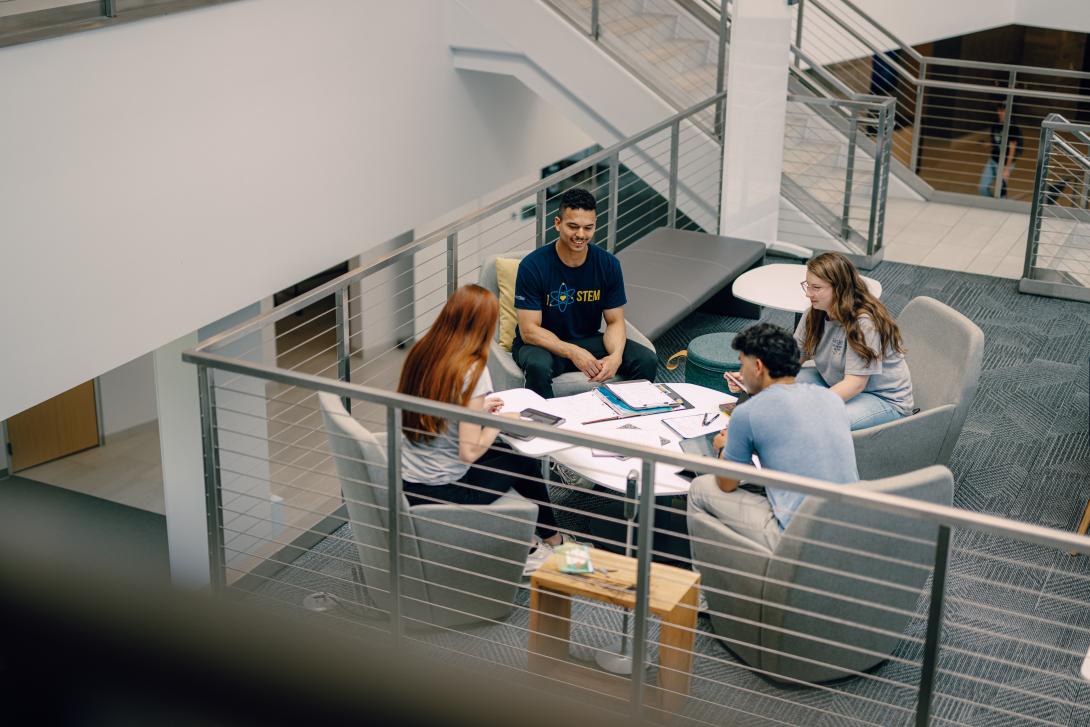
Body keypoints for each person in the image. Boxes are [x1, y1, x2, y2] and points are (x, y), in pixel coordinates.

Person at [397, 284, 568, 574]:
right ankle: (545, 544)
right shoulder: (472, 370)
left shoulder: (424, 350)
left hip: (410, 483)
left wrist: (478, 411)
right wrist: (499, 422)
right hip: (445, 491)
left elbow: (442, 405)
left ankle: (541, 539)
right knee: (522, 462)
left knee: (507, 454)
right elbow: (468, 452)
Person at [688, 323, 858, 551]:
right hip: (852, 525)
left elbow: (727, 485)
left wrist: (723, 447)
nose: (741, 371)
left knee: (700, 487)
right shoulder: (831, 399)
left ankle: (704, 581)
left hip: (796, 538)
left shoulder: (747, 412)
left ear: (757, 366)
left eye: (742, 363)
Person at [511, 187, 658, 399]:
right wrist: (573, 352)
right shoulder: (533, 266)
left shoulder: (608, 264)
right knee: (537, 366)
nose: (581, 235)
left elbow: (615, 321)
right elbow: (529, 331)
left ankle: (627, 417)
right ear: (557, 223)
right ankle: (546, 427)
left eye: (588, 228)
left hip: (587, 339)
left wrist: (615, 357)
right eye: (573, 226)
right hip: (543, 345)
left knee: (646, 359)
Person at [791, 252, 914, 431]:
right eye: (807, 286)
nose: (808, 294)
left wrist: (813, 407)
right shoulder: (815, 313)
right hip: (836, 381)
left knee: (817, 422)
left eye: (816, 288)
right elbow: (793, 358)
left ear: (840, 288)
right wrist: (760, 378)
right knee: (778, 390)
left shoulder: (865, 323)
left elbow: (855, 384)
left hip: (882, 399)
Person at [978, 101, 1022, 198]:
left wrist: (1006, 169)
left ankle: (1000, 207)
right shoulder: (995, 125)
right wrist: (987, 144)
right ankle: (991, 205)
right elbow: (997, 141)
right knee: (982, 188)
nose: (1001, 113)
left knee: (1001, 190)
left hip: (1005, 163)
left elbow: (1012, 149)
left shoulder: (1013, 128)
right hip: (993, 160)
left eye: (1004, 111)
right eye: (1000, 110)